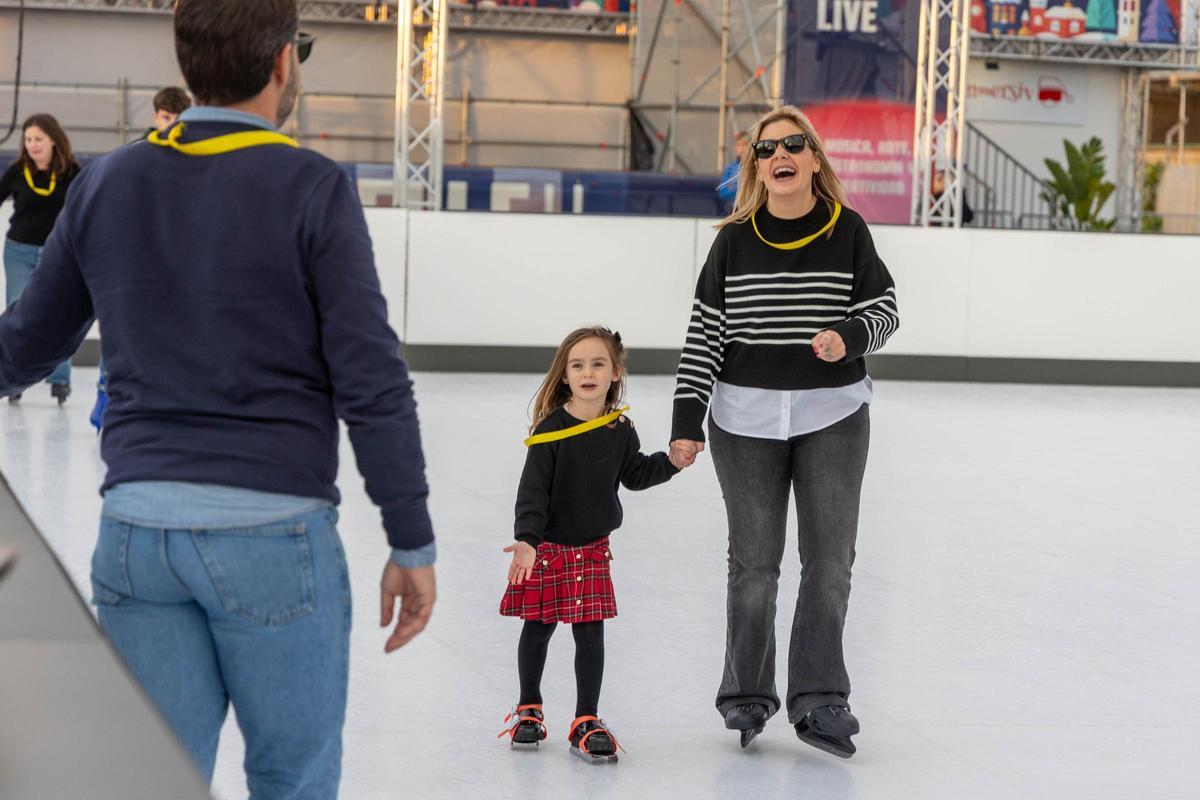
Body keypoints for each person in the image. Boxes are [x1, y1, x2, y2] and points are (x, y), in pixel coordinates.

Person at [0, 1, 437, 796]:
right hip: (273, 536)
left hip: (138, 539)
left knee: (151, 783)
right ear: (281, 64)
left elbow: (24, 345)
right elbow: (371, 381)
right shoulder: (312, 186)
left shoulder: (106, 181)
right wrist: (410, 541)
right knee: (291, 780)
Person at [669, 105, 899, 758]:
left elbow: (884, 309)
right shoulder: (732, 243)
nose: (781, 155)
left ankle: (821, 700)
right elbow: (703, 338)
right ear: (755, 167)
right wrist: (687, 423)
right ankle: (747, 694)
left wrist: (848, 336)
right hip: (743, 424)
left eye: (794, 144)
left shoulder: (848, 231)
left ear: (815, 159)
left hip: (834, 416)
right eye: (766, 149)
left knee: (829, 563)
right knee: (754, 565)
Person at [498, 326, 685, 764]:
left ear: (615, 371)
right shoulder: (551, 430)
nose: (588, 372)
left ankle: (586, 719)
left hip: (592, 550)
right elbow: (533, 491)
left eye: (598, 363)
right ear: (565, 374)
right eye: (578, 364)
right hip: (546, 549)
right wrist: (527, 541)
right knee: (538, 628)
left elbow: (635, 474)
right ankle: (529, 709)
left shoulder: (620, 429)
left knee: (590, 635)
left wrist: (671, 463)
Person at [90, 85, 194, 431]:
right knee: (121, 328)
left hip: (175, 261)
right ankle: (107, 393)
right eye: (165, 117)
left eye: (177, 119)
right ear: (155, 116)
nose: (170, 124)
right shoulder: (134, 154)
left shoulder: (195, 158)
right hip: (133, 257)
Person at [0, 114, 81, 404]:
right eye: (28, 139)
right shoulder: (18, 171)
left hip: (56, 253)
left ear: (54, 141)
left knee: (59, 313)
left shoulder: (72, 172)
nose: (32, 145)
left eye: (38, 139)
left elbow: (81, 209)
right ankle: (12, 378)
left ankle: (60, 380)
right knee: (18, 311)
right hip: (18, 250)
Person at [717, 131, 749, 214]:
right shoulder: (731, 168)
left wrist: (732, 186)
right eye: (739, 145)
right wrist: (739, 188)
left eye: (745, 144)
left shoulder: (757, 166)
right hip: (733, 211)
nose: (742, 148)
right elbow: (722, 193)